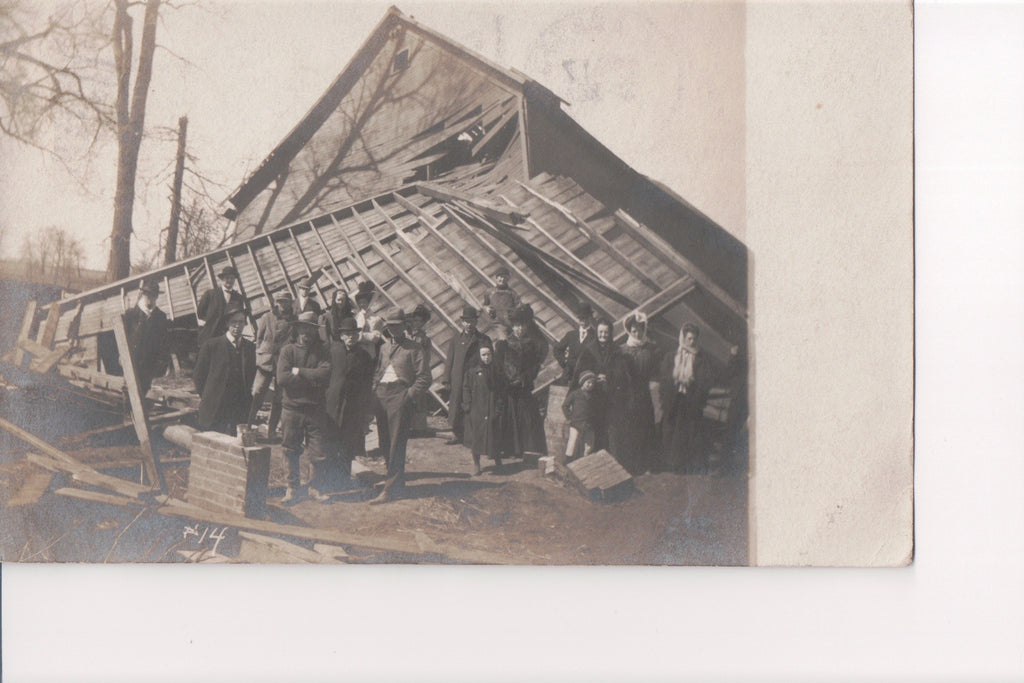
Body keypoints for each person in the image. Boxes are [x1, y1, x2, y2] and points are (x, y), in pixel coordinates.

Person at [369, 307, 431, 504]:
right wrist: (374, 389)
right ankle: (395, 484)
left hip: (399, 396)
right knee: (385, 442)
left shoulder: (414, 348)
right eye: (390, 327)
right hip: (381, 396)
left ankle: (390, 489)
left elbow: (424, 377)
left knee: (397, 443)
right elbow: (378, 371)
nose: (393, 330)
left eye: (397, 326)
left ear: (404, 326)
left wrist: (408, 396)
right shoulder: (384, 347)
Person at [276, 312, 332, 504]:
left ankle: (314, 488)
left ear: (315, 331)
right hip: (292, 409)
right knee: (290, 449)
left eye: (310, 329)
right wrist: (312, 379)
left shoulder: (323, 351)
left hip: (315, 409)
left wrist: (299, 372)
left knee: (318, 451)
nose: (306, 333)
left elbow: (325, 376)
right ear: (297, 329)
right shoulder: (288, 351)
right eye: (303, 328)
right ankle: (291, 487)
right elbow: (282, 378)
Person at [324, 316, 375, 492]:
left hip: (353, 406)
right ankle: (328, 480)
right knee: (330, 441)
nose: (350, 337)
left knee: (348, 443)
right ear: (342, 335)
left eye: (353, 334)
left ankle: (343, 479)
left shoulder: (364, 356)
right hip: (333, 403)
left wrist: (366, 410)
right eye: (347, 334)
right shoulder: (332, 351)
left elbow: (368, 385)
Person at [608, 312, 660, 475]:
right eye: (634, 330)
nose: (637, 333)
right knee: (629, 430)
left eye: (640, 330)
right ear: (629, 331)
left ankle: (645, 465)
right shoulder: (622, 350)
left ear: (644, 330)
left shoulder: (651, 350)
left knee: (644, 429)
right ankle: (630, 466)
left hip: (644, 395)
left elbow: (655, 373)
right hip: (627, 396)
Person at [194, 305, 256, 436]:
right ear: (227, 323)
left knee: (236, 443)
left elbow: (251, 376)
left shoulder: (249, 348)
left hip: (239, 406)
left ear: (245, 324)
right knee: (214, 440)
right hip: (216, 406)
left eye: (241, 322)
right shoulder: (212, 345)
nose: (237, 326)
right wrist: (209, 396)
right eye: (233, 322)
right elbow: (199, 377)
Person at [660, 323, 713, 474]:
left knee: (690, 432)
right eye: (689, 338)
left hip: (691, 400)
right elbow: (664, 378)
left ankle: (689, 465)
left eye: (694, 339)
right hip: (674, 400)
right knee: (672, 432)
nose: (691, 342)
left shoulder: (701, 359)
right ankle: (673, 465)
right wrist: (674, 383)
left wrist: (692, 383)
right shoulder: (672, 356)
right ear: (683, 338)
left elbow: (706, 380)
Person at [497, 306, 547, 459]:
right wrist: (509, 378)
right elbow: (502, 364)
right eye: (516, 326)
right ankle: (511, 448)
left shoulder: (532, 344)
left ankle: (528, 449)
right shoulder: (506, 343)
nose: (518, 329)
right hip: (510, 387)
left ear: (526, 326)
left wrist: (524, 378)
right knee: (510, 415)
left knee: (527, 417)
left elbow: (535, 366)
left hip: (524, 386)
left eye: (521, 326)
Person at [248, 290, 295, 438]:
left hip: (283, 363)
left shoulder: (294, 320)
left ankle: (271, 429)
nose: (282, 305)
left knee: (279, 398)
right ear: (276, 303)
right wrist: (260, 355)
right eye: (280, 301)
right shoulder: (267, 317)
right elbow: (259, 338)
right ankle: (248, 424)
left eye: (285, 301)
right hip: (266, 362)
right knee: (257, 391)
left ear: (290, 303)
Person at [442, 306, 491, 445]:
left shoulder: (483, 339)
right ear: (462, 323)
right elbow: (449, 360)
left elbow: (489, 359)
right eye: (466, 321)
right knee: (457, 405)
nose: (469, 324)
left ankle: (472, 436)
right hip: (458, 378)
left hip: (475, 379)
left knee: (473, 405)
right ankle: (457, 434)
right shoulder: (456, 339)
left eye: (471, 321)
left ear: (476, 322)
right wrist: (446, 379)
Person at [462, 343, 506, 475]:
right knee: (477, 437)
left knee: (494, 435)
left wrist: (499, 407)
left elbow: (501, 391)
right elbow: (466, 388)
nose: (487, 358)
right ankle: (477, 464)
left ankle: (498, 461)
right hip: (477, 408)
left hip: (492, 407)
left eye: (489, 354)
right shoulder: (472, 372)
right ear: (479, 356)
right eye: (484, 355)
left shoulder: (497, 371)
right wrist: (467, 404)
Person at [122, 279, 170, 398]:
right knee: (128, 390)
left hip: (148, 362)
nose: (150, 298)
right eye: (148, 295)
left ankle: (140, 414)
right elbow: (123, 337)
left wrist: (162, 362)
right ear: (143, 295)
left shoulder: (160, 316)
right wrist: (121, 355)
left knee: (143, 389)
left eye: (153, 295)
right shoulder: (131, 315)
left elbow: (163, 342)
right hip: (132, 359)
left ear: (157, 297)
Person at [196, 265, 246, 349]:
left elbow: (239, 316)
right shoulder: (210, 294)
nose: (229, 280)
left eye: (232, 278)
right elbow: (200, 313)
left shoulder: (238, 298)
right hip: (210, 335)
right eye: (227, 278)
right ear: (222, 279)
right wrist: (211, 322)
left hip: (228, 337)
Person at [561, 370, 602, 462]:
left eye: (592, 383)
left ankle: (585, 462)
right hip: (576, 423)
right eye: (588, 382)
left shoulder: (594, 396)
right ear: (582, 382)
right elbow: (565, 406)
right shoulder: (575, 394)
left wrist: (594, 419)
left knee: (589, 445)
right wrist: (570, 418)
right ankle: (568, 462)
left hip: (589, 424)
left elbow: (596, 409)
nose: (590, 385)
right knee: (573, 442)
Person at [553, 301, 595, 386]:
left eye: (585, 318)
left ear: (590, 318)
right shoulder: (571, 335)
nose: (583, 321)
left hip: (585, 378)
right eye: (581, 318)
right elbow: (557, 349)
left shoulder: (594, 336)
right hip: (568, 376)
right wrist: (564, 362)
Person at [483, 266, 520, 332]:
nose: (502, 279)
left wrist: (516, 324)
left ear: (508, 279)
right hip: (498, 323)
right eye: (500, 277)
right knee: (503, 339)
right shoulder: (489, 292)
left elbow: (518, 307)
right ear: (496, 278)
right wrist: (487, 309)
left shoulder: (512, 293)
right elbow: (485, 305)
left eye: (504, 277)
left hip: (512, 323)